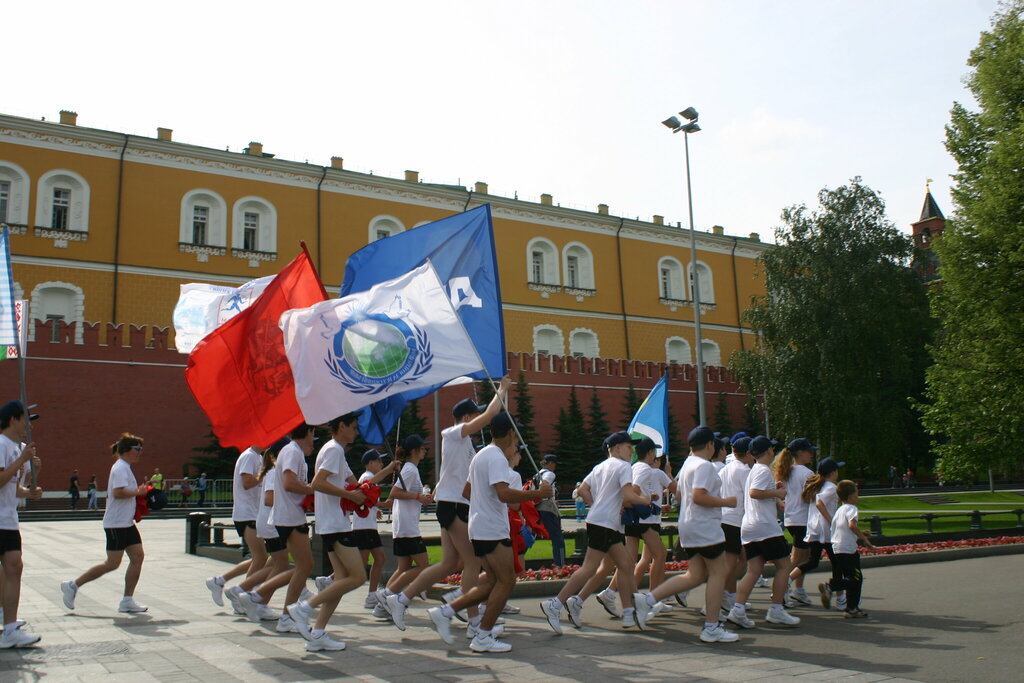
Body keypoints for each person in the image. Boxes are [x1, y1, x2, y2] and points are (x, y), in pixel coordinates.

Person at [379, 378, 510, 628]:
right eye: (474, 415)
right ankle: (473, 620)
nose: (477, 419)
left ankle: (401, 599)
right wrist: (502, 389)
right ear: (466, 416)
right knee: (473, 562)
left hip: (453, 503)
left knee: (451, 563)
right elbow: (491, 414)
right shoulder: (451, 434)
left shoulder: (466, 445)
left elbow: (455, 477)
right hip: (452, 505)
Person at [427, 412, 552, 653]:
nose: (516, 440)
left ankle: (446, 611)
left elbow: (466, 491)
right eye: (515, 434)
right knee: (507, 581)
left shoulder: (481, 455)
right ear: (509, 433)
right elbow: (504, 495)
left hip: (479, 526)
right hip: (492, 528)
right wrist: (538, 494)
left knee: (493, 580)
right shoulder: (495, 457)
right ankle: (482, 635)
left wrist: (483, 504)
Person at [633, 425, 739, 643]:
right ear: (710, 445)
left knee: (696, 575)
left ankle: (648, 600)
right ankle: (711, 627)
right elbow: (699, 496)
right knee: (719, 572)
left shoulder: (689, 464)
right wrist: (726, 501)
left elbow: (682, 495)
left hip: (690, 525)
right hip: (705, 526)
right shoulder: (704, 466)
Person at [540, 431, 653, 633]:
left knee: (626, 564)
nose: (632, 452)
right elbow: (628, 494)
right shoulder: (623, 466)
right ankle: (556, 604)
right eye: (629, 447)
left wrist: (597, 505)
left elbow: (583, 489)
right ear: (618, 448)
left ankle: (628, 612)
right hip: (607, 523)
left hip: (602, 521)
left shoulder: (600, 467)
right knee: (591, 568)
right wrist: (645, 500)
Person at [289, 412, 384, 652]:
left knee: (341, 579)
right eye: (353, 427)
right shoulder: (334, 450)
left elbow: (358, 484)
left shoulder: (334, 451)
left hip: (331, 523)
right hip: (335, 524)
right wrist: (350, 495)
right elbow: (318, 483)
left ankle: (318, 632)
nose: (356, 431)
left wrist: (387, 471)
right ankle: (304, 608)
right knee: (358, 576)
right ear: (341, 426)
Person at [237, 424, 316, 631]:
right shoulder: (292, 451)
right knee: (302, 566)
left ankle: (266, 602)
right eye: (313, 433)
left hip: (287, 516)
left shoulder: (291, 452)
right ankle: (265, 603)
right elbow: (289, 484)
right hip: (289, 517)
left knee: (297, 566)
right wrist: (312, 490)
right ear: (309, 433)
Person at [61, 433, 149, 615]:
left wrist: (140, 491)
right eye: (137, 449)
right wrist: (138, 492)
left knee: (138, 556)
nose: (140, 452)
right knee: (112, 563)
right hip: (116, 523)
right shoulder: (120, 468)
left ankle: (127, 600)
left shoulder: (126, 467)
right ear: (126, 450)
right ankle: (73, 585)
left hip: (126, 522)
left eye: (141, 449)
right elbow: (118, 492)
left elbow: (125, 491)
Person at [726, 435, 800, 629]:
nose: (773, 452)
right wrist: (777, 493)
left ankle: (738, 610)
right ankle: (776, 609)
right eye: (771, 449)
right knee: (785, 566)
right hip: (765, 526)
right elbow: (754, 493)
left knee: (754, 570)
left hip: (749, 527)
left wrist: (771, 489)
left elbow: (756, 491)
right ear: (768, 451)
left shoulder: (753, 470)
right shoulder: (763, 470)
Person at [376, 435, 433, 620]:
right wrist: (418, 497)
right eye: (423, 448)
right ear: (415, 451)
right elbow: (395, 493)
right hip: (408, 527)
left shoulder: (409, 469)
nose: (425, 451)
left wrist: (420, 498)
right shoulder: (410, 469)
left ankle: (382, 606)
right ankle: (387, 596)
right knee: (424, 566)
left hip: (402, 526)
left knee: (403, 567)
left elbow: (397, 494)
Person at [205, 446, 269, 610]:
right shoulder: (250, 456)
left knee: (259, 558)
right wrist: (266, 472)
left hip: (252, 513)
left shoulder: (258, 457)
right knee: (261, 557)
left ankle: (219, 581)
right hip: (247, 514)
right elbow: (247, 482)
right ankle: (243, 595)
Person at [0, 400, 42, 648]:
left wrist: (30, 492)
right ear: (14, 419)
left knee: (14, 568)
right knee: (11, 569)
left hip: (8, 520)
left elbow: (13, 488)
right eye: (26, 418)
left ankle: (11, 627)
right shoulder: (2, 444)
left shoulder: (18, 448)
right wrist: (22, 460)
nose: (29, 424)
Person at [790, 457, 844, 609]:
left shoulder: (818, 486)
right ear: (833, 472)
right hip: (826, 531)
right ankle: (840, 599)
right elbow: (820, 503)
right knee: (837, 563)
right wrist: (832, 520)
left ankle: (786, 581)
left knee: (812, 561)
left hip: (814, 529)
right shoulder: (830, 487)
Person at [348, 449, 394, 609]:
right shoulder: (367, 478)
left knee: (379, 558)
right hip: (363, 527)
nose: (381, 464)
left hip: (369, 526)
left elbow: (368, 501)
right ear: (370, 463)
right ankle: (331, 581)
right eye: (379, 461)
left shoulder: (370, 479)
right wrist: (383, 505)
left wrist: (377, 509)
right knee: (360, 564)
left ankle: (372, 594)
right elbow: (365, 498)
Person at [773, 438, 817, 605]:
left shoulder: (786, 471)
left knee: (803, 556)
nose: (811, 454)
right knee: (796, 558)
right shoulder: (807, 473)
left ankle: (798, 590)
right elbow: (808, 498)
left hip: (792, 518)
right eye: (808, 451)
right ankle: (783, 589)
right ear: (800, 453)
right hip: (802, 519)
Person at [827, 480, 874, 618]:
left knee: (851, 578)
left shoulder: (839, 510)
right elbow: (852, 525)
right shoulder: (852, 509)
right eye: (856, 493)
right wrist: (865, 540)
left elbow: (844, 528)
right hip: (848, 549)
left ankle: (851, 608)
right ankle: (830, 587)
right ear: (851, 495)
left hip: (837, 547)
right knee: (856, 579)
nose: (857, 496)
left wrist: (861, 533)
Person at [718, 435, 753, 616]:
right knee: (733, 563)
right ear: (748, 453)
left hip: (725, 519)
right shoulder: (744, 471)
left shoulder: (726, 469)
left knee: (738, 560)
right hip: (735, 521)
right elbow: (749, 497)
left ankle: (730, 595)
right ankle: (721, 596)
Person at [534, 454, 565, 566]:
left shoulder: (538, 474)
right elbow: (544, 484)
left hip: (538, 506)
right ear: (551, 463)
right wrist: (548, 497)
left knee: (533, 535)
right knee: (557, 537)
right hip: (547, 507)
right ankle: (560, 564)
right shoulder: (550, 474)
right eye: (555, 464)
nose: (555, 467)